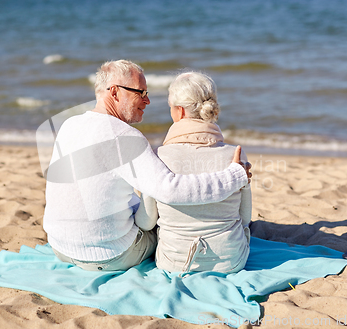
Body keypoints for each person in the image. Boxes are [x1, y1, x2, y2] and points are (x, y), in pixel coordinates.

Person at [42, 60, 251, 271]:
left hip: (59, 246)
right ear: (114, 92)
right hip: (109, 255)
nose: (148, 100)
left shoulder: (69, 125)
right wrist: (234, 175)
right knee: (158, 225)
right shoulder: (125, 136)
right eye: (140, 92)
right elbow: (170, 190)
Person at [151, 71, 252, 275]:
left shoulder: (158, 157)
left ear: (178, 111)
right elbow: (245, 217)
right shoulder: (236, 155)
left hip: (173, 263)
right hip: (232, 262)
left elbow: (147, 221)